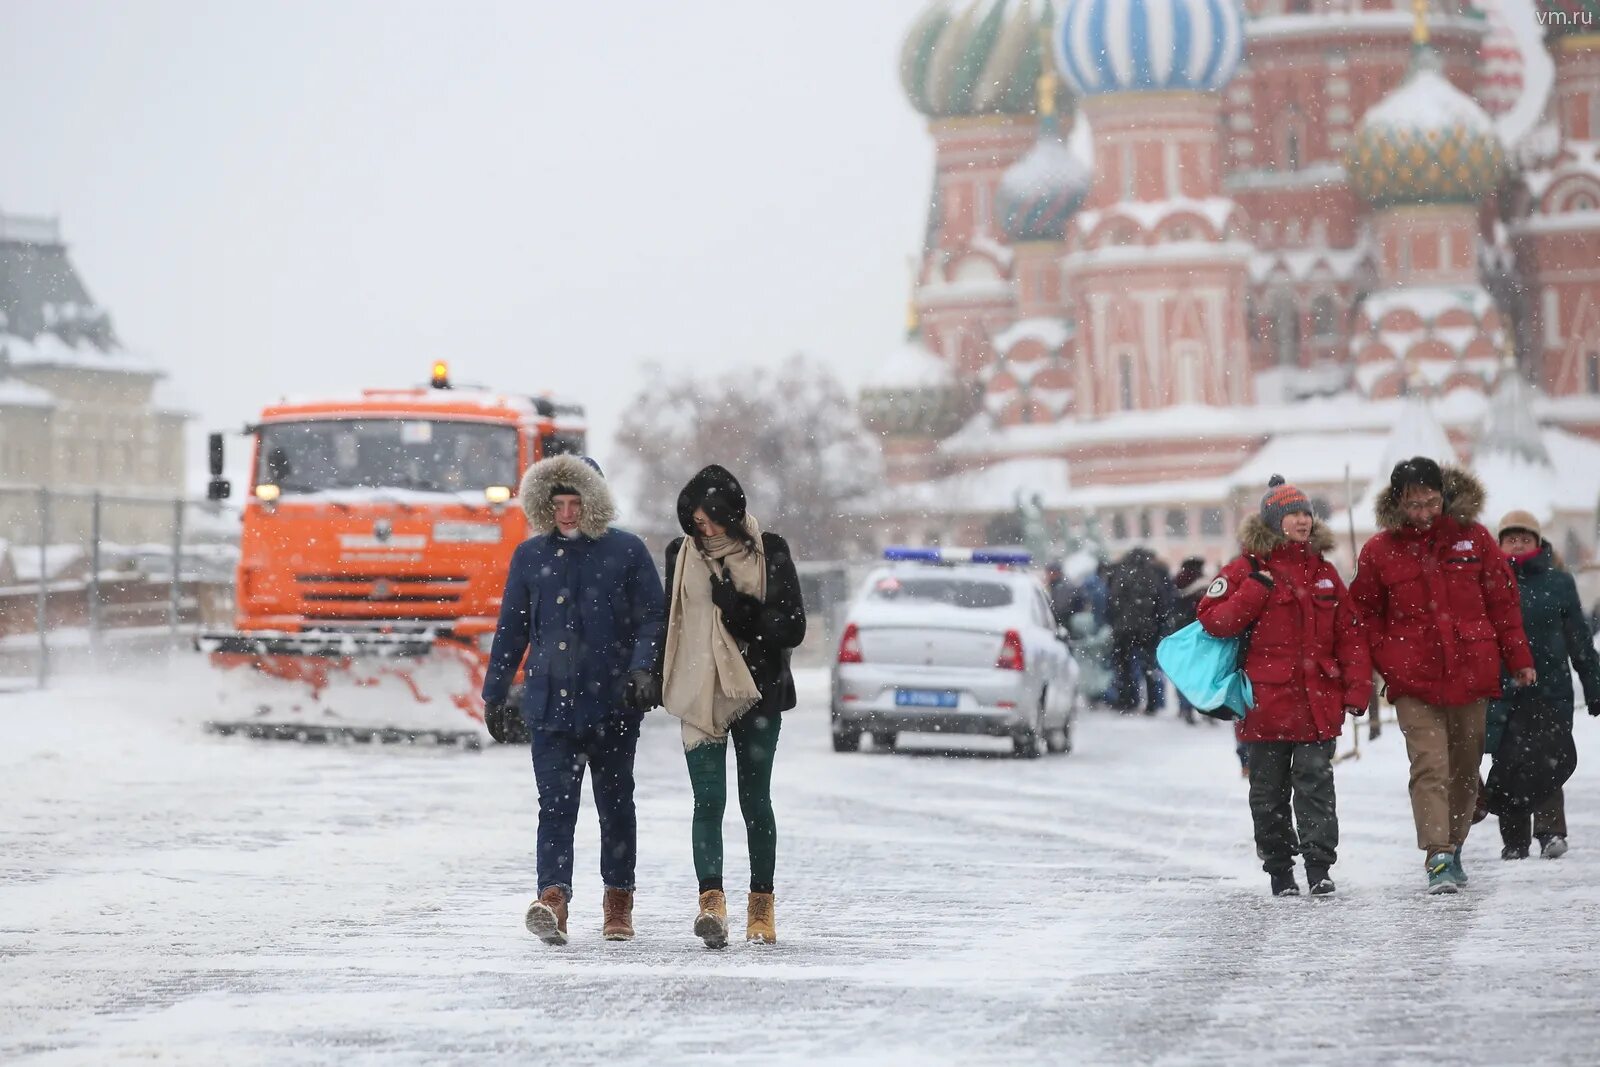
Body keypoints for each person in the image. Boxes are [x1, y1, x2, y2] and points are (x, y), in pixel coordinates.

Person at [481, 454, 666, 945]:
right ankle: (553, 899)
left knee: (615, 804)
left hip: (613, 705)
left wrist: (643, 669)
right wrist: (495, 694)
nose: (566, 513)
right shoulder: (530, 557)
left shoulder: (627, 552)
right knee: (555, 806)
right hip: (550, 706)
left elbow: (653, 616)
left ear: (595, 502)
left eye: (576, 502)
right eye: (557, 503)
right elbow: (511, 630)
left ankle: (618, 900)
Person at [1350, 457, 1534, 894]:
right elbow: (1363, 614)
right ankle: (1438, 855)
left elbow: (1502, 604)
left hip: (1472, 670)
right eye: (1414, 504)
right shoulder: (1380, 550)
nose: (1424, 512)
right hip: (1412, 677)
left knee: (1466, 767)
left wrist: (1519, 658)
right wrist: (1386, 657)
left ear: (1444, 496)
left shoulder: (1474, 539)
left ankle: (1453, 842)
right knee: (1430, 764)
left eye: (1431, 502)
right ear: (1398, 502)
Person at [1198, 476, 1372, 897]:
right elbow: (1212, 618)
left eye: (1306, 513)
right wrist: (1255, 592)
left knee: (1316, 786)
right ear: (1275, 522)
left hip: (1318, 702)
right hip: (1265, 704)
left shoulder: (1325, 572)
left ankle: (1318, 867)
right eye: (1292, 514)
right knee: (1268, 794)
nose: (1301, 521)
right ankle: (1279, 870)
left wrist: (1357, 688)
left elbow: (1349, 633)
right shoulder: (1246, 570)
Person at [657, 465, 806, 948]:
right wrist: (646, 675)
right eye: (697, 523)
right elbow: (669, 622)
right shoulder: (679, 556)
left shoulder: (771, 551)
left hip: (758, 693)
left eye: (713, 521)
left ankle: (761, 908)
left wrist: (740, 610)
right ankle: (711, 905)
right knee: (708, 800)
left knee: (754, 801)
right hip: (700, 691)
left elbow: (792, 627)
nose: (706, 531)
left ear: (733, 514)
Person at [1486, 511, 1600, 860]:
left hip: (1550, 689)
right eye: (1510, 538)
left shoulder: (1559, 583)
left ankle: (1551, 832)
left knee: (1548, 760)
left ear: (1538, 542)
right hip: (1504, 692)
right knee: (1508, 763)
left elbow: (1579, 640)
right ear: (1500, 543)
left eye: (1525, 538)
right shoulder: (1487, 583)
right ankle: (1515, 840)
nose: (1518, 544)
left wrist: (1593, 685)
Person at [1106, 547, 1174, 714]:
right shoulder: (1151, 574)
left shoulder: (1120, 574)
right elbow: (1161, 601)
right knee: (1149, 667)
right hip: (1147, 629)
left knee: (1125, 666)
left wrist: (1115, 623)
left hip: (1123, 629)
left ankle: (1127, 700)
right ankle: (1152, 703)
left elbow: (1112, 602)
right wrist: (1158, 623)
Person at [1170, 556, 1210, 724]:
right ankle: (1206, 709)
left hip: (1181, 633)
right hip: (1202, 633)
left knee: (1183, 672)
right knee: (1203, 673)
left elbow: (1169, 608)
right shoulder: (1206, 584)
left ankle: (1185, 707)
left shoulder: (1176, 582)